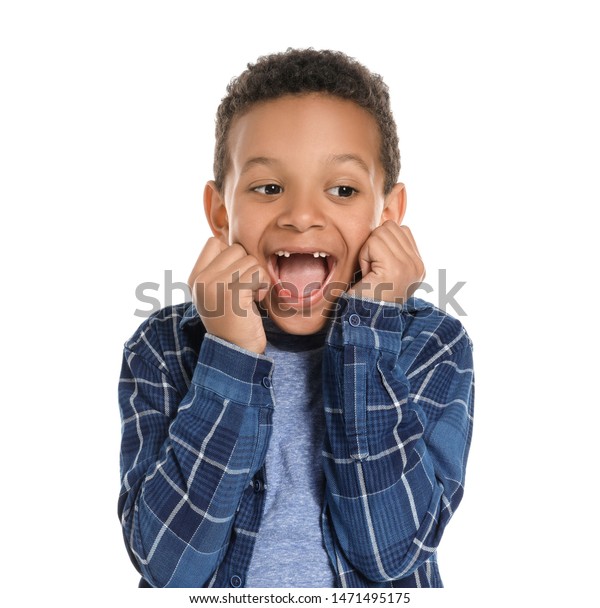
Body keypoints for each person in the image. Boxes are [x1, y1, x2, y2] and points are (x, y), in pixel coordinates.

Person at [118, 48, 474, 589]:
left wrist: (366, 332)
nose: (303, 215)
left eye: (343, 190)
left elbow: (390, 555)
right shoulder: (164, 346)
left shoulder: (432, 345)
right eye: (268, 188)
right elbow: (168, 570)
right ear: (220, 214)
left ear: (390, 214)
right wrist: (230, 355)